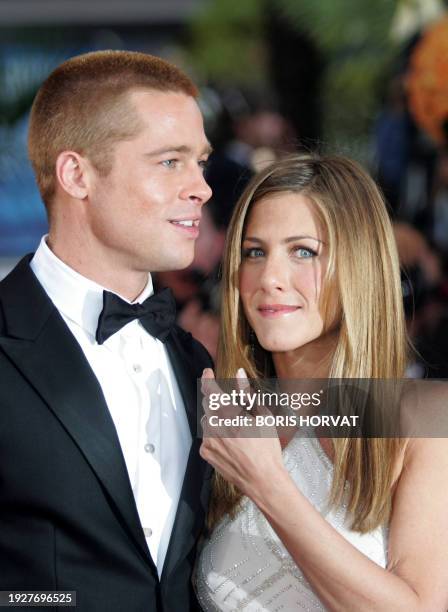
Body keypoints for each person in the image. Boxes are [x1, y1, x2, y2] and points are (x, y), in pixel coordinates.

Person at [0, 50, 214, 611]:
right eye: (170, 162)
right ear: (77, 174)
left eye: (200, 163)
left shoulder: (200, 360)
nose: (201, 188)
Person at [195, 154, 448, 610]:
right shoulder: (222, 418)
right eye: (255, 252)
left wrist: (268, 483)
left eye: (303, 252)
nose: (270, 278)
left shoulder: (424, 418)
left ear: (358, 266)